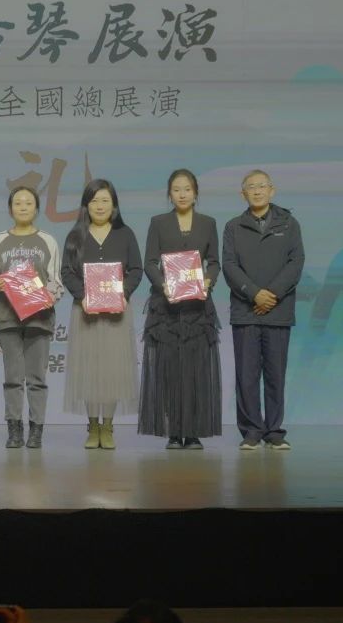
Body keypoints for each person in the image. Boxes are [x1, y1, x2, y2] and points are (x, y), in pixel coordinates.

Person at [140, 169, 222, 450]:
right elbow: (150, 262)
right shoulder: (159, 223)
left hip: (198, 308)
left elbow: (215, 261)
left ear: (195, 192)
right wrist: (162, 284)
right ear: (169, 194)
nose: (182, 194)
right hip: (166, 308)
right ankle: (174, 432)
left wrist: (208, 280)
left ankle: (194, 432)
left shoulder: (208, 223)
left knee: (196, 368)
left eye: (187, 189)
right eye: (176, 189)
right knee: (169, 369)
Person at [223, 169, 304, 450]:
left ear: (272, 190)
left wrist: (272, 295)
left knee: (275, 374)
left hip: (278, 312)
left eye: (262, 186)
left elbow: (296, 262)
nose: (257, 191)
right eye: (251, 187)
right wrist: (254, 294)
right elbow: (229, 266)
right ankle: (251, 432)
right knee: (246, 375)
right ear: (242, 194)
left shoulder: (289, 224)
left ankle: (274, 432)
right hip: (245, 311)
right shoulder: (233, 227)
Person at [60, 179, 142, 450]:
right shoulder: (75, 235)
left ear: (114, 205)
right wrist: (82, 296)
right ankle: (92, 425)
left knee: (112, 370)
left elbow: (136, 270)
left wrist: (123, 294)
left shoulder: (125, 234)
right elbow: (66, 272)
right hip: (85, 312)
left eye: (105, 200)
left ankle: (108, 426)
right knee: (89, 369)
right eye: (94, 201)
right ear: (86, 205)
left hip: (118, 314)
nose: (100, 206)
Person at [0, 186, 64, 449]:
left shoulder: (48, 241)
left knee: (37, 378)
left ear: (37, 208)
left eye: (28, 203)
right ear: (10, 209)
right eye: (18, 203)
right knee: (13, 378)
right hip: (7, 317)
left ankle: (36, 430)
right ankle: (14, 429)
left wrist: (48, 295)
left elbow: (56, 281)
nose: (23, 207)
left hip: (39, 318)